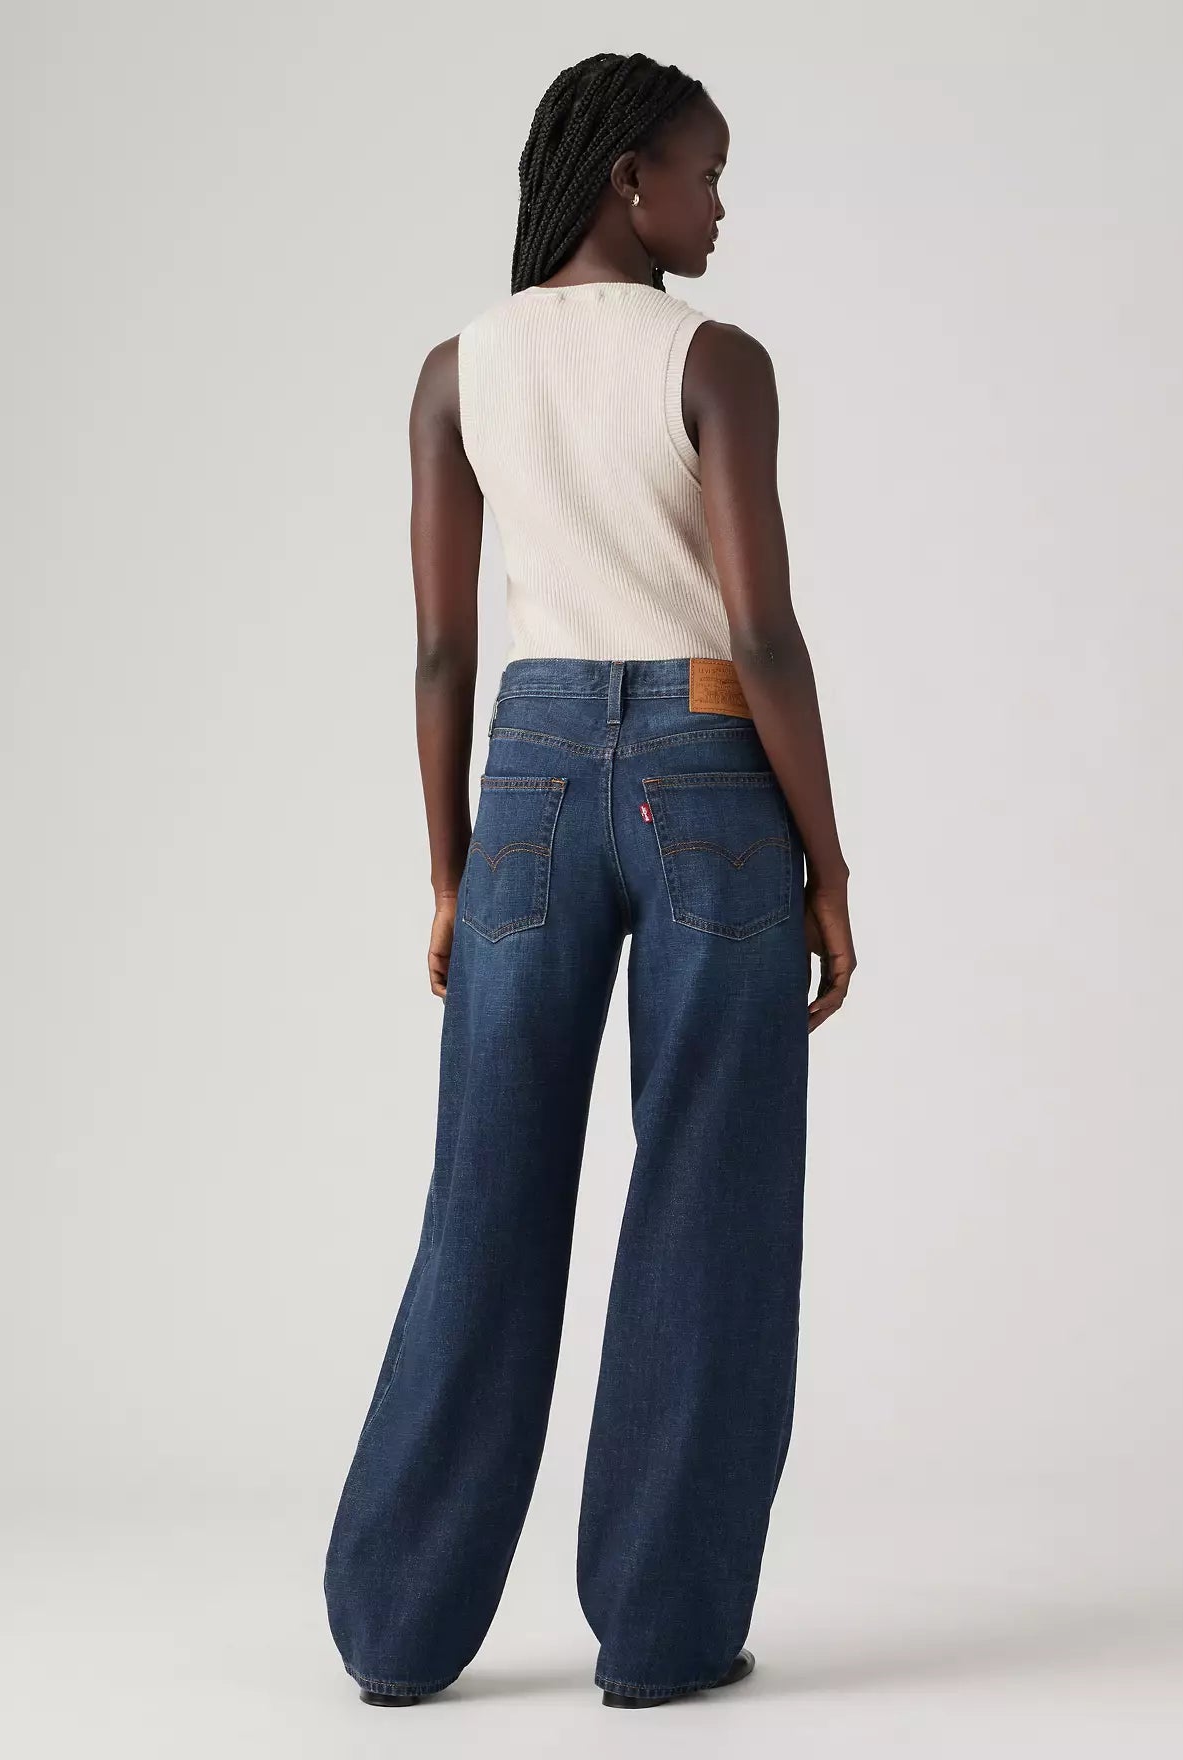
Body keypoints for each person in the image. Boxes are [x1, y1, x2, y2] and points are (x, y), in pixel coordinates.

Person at [323, 49, 856, 1710]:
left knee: (482, 1198)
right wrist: (830, 863)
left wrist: (447, 867)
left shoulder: (456, 370)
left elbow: (439, 648)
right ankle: (664, 1635)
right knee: (710, 1197)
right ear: (630, 177)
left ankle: (396, 1627)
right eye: (706, 171)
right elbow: (762, 631)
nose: (720, 205)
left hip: (529, 779)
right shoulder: (716, 361)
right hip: (712, 776)